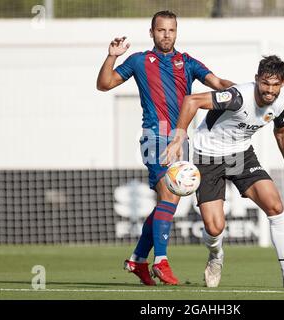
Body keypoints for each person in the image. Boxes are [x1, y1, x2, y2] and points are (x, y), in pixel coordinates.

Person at [96, 10, 234, 286]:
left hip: (181, 141)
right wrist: (112, 55)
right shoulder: (138, 61)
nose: (166, 35)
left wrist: (243, 91)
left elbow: (217, 84)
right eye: (161, 30)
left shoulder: (187, 62)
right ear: (152, 32)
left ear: (176, 32)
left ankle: (137, 259)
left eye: (171, 30)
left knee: (167, 202)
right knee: (170, 195)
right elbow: (104, 84)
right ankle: (160, 261)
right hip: (154, 137)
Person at [163, 55, 284, 288]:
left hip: (240, 156)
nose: (269, 90)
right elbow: (191, 100)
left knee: (275, 205)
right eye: (265, 83)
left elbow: (281, 131)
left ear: (282, 83)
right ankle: (216, 256)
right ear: (257, 80)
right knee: (215, 228)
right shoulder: (237, 96)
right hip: (207, 156)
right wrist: (179, 136)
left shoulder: (279, 104)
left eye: (275, 85)